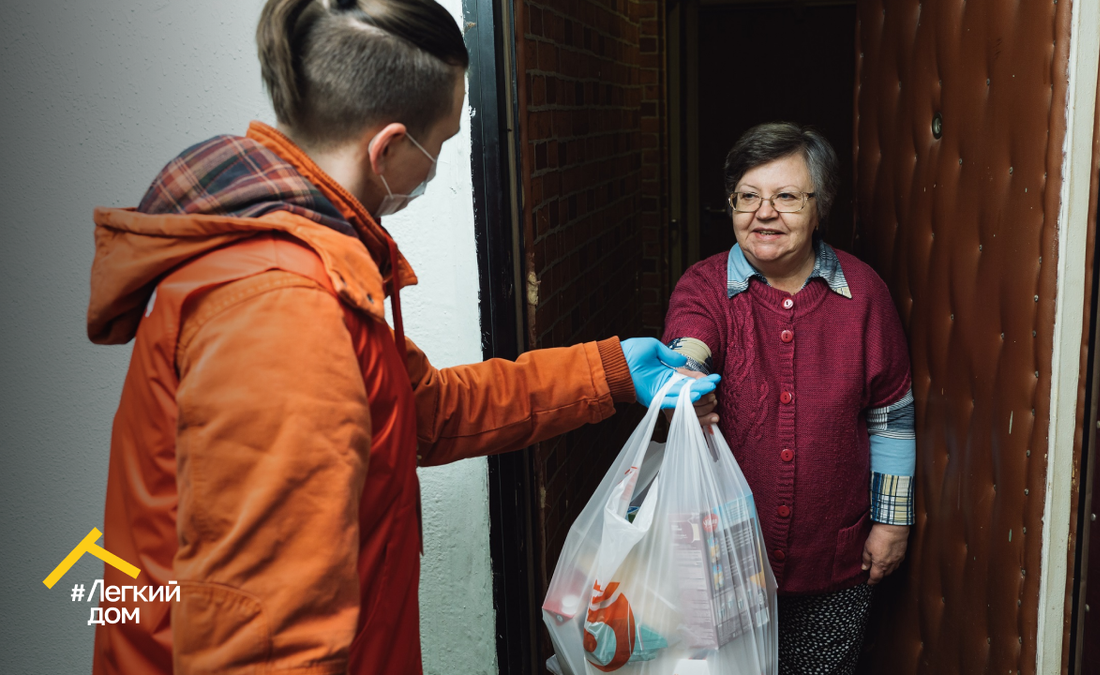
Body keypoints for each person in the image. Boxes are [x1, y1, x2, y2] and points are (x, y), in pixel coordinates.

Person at [84, 1, 717, 673]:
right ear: (387, 148)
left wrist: (608, 369)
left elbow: (425, 412)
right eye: (438, 145)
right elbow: (261, 643)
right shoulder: (280, 309)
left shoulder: (303, 262)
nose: (434, 166)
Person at [664, 122, 915, 674]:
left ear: (819, 207)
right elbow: (689, 339)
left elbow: (891, 414)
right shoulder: (705, 285)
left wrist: (892, 523)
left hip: (834, 560)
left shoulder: (863, 293)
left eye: (785, 197)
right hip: (720, 560)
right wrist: (685, 376)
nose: (764, 213)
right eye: (747, 197)